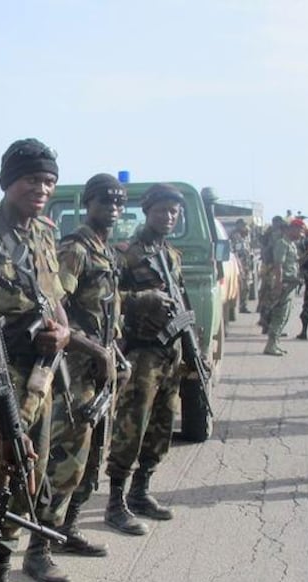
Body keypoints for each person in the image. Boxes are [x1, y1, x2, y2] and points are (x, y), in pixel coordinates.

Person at [0, 138, 72, 582]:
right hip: (2, 382)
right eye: (32, 179)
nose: (41, 188)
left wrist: (64, 327)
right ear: (8, 182)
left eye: (48, 181)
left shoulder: (43, 234)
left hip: (41, 378)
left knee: (24, 483)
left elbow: (54, 295)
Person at [27, 173, 125, 582]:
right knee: (64, 464)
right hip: (74, 373)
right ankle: (39, 549)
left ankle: (69, 530)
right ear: (89, 204)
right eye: (106, 200)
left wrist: (113, 350)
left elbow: (106, 313)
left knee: (91, 458)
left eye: (119, 201)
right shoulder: (76, 251)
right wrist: (95, 350)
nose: (114, 207)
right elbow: (54, 311)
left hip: (100, 370)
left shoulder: (106, 251)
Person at [105, 183, 190, 535]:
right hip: (141, 354)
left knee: (161, 426)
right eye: (161, 210)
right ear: (146, 211)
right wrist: (142, 298)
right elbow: (107, 299)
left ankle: (141, 490)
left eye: (173, 212)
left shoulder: (171, 256)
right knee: (131, 427)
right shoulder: (126, 254)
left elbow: (182, 301)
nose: (168, 217)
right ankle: (115, 501)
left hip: (170, 354)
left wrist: (192, 350)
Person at [264, 218, 302, 355]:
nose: (301, 233)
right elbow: (278, 265)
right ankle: (271, 345)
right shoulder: (282, 243)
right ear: (291, 229)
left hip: (290, 284)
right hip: (284, 284)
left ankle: (275, 343)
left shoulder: (291, 245)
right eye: (299, 229)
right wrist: (278, 285)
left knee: (285, 315)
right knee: (279, 315)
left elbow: (294, 264)